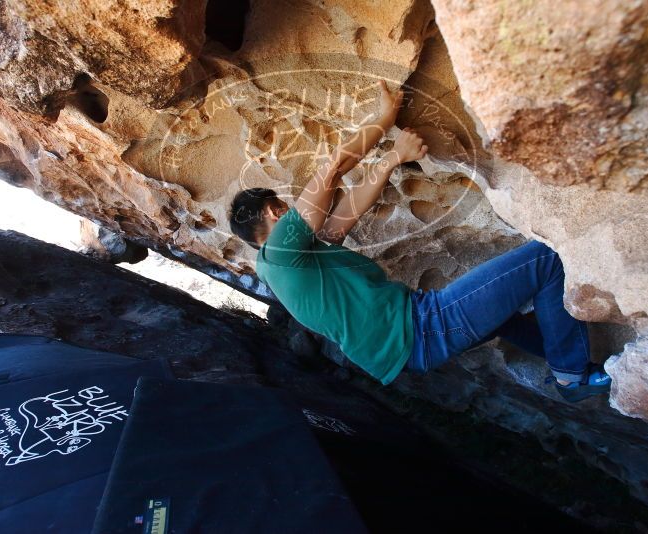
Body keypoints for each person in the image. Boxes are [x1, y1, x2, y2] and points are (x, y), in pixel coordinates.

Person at [228, 80, 611, 402]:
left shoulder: (296, 261)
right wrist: (383, 121)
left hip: (415, 336)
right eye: (284, 204)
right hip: (424, 326)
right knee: (547, 259)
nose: (293, 207)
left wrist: (392, 160)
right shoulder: (278, 253)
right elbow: (331, 171)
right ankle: (570, 376)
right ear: (274, 214)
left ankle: (564, 359)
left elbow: (347, 211)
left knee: (502, 315)